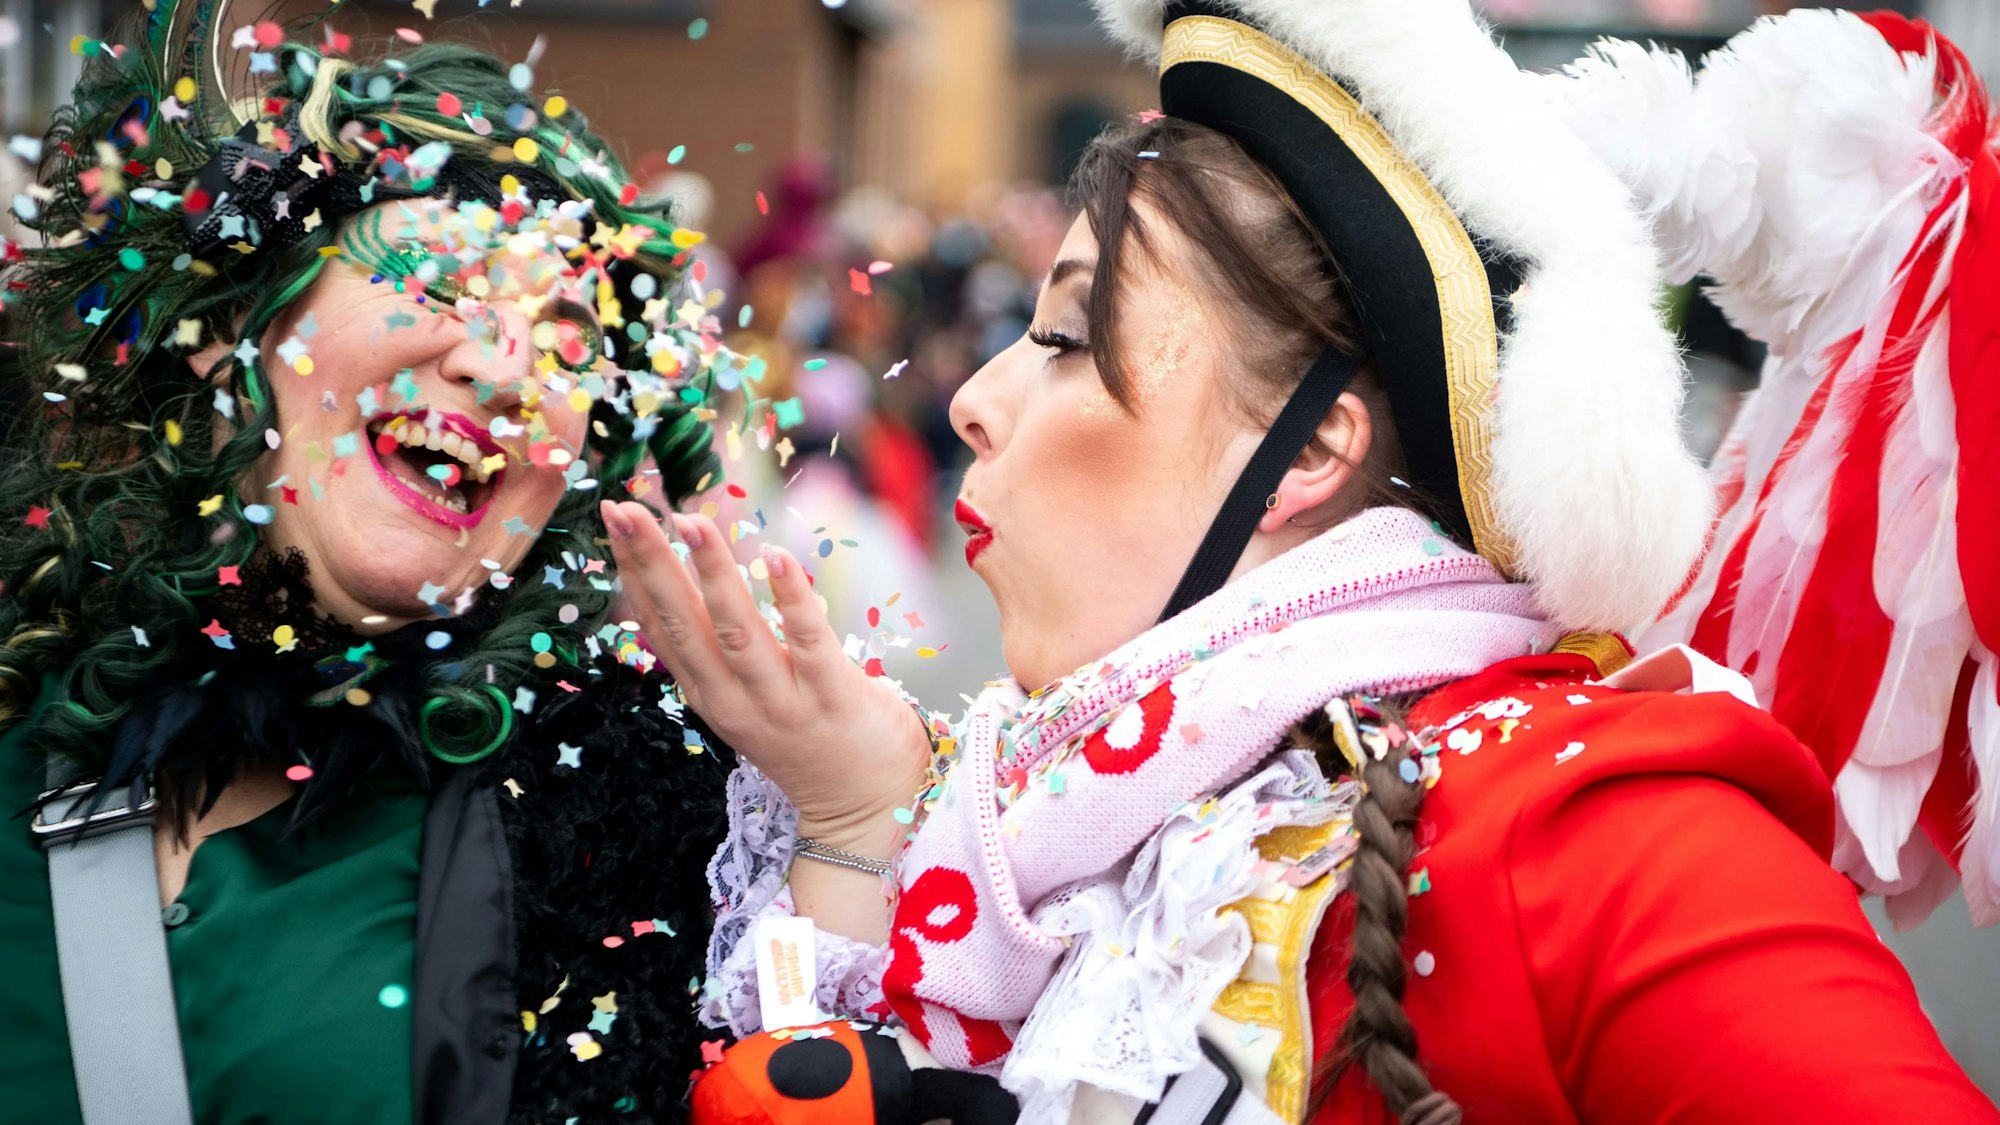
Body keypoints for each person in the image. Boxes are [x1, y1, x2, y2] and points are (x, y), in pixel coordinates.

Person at [606, 0, 2000, 1122]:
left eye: (1067, 341)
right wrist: (856, 821)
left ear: (1314, 452)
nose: (975, 403)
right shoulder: (1069, 816)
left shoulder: (1582, 822)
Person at [0, 3, 745, 1121]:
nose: (503, 368)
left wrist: (850, 820)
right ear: (234, 322)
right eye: (443, 281)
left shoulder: (669, 834)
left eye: (564, 342)